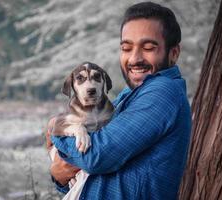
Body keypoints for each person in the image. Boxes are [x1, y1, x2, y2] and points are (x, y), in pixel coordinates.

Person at [46, 2, 192, 199]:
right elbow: (83, 171)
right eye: (126, 48)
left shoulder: (163, 92)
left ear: (173, 53)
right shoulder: (128, 95)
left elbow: (95, 156)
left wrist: (57, 127)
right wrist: (59, 174)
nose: (134, 58)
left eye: (148, 47)